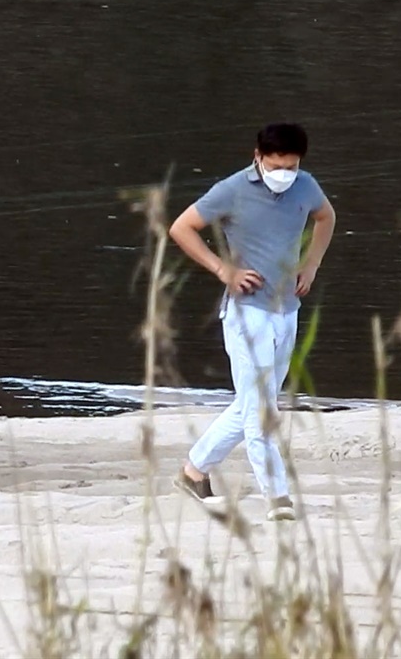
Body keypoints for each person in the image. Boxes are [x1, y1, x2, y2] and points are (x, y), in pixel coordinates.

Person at [168, 123, 336, 521]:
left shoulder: (305, 185)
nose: (284, 174)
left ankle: (193, 473)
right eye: (277, 165)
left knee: (254, 405)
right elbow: (181, 227)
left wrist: (311, 265)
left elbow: (326, 217)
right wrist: (222, 269)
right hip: (247, 311)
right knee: (260, 412)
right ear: (257, 156)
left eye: (291, 166)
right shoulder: (232, 189)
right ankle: (278, 498)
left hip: (287, 311)